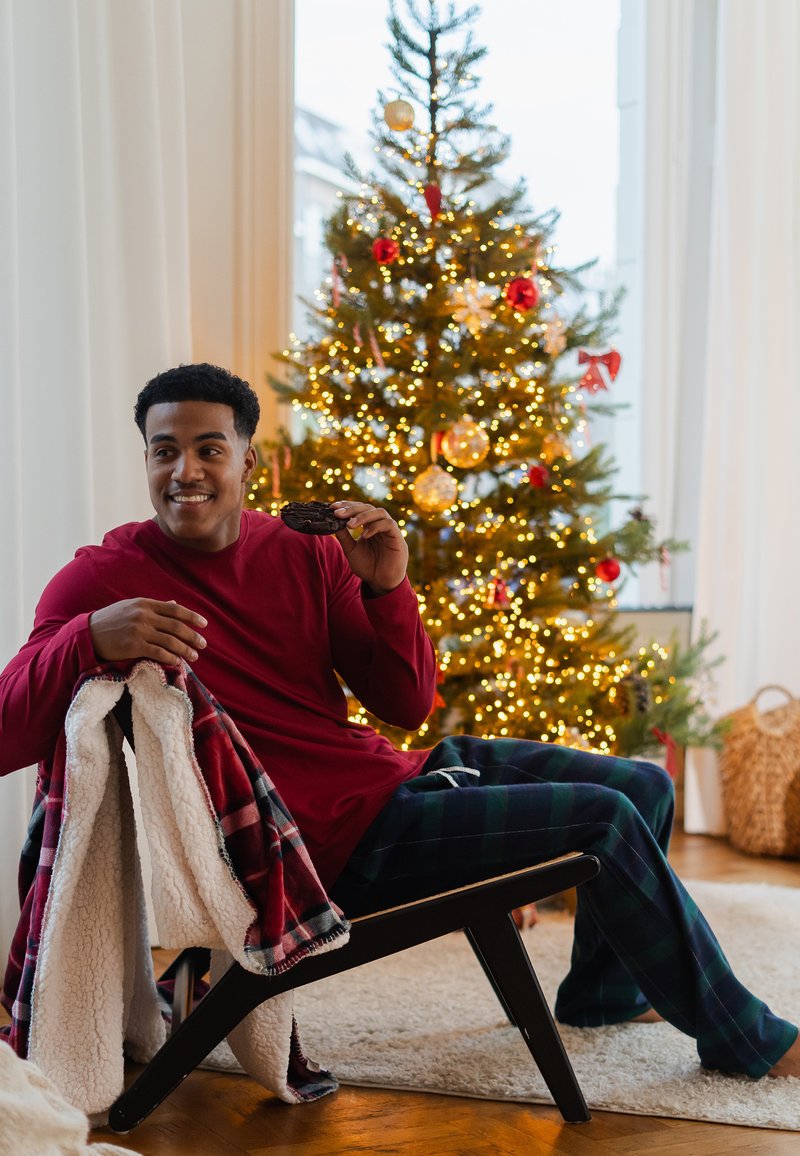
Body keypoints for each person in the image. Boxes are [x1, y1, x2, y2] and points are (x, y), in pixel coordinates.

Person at [0, 362, 797, 1080]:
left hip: (391, 780)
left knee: (646, 785)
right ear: (146, 460)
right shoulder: (100, 578)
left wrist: (388, 589)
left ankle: (602, 996)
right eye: (164, 450)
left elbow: (406, 704)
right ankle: (743, 1036)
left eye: (210, 449)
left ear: (249, 460)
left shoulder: (304, 552)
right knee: (608, 820)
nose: (186, 471)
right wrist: (84, 640)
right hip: (320, 842)